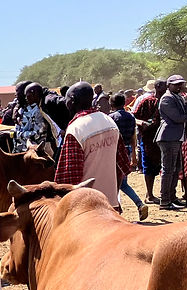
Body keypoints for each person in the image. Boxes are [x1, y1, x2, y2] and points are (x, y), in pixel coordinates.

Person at [55, 82, 131, 211]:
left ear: (72, 101)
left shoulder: (76, 129)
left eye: (66, 100)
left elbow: (69, 177)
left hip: (87, 206)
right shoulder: (109, 122)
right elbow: (123, 166)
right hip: (110, 203)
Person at [155, 75, 187, 210]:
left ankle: (172, 197)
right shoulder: (167, 98)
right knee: (168, 169)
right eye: (176, 84)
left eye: (181, 84)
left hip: (176, 137)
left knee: (176, 169)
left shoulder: (178, 97)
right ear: (169, 85)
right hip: (168, 137)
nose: (179, 86)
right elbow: (178, 117)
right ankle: (165, 200)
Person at [109, 94, 148, 221]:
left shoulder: (110, 118)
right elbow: (133, 137)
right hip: (127, 150)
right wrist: (134, 156)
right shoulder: (131, 117)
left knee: (116, 182)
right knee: (122, 182)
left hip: (114, 151)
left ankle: (117, 209)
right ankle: (138, 204)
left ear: (111, 105)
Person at [133, 79, 165, 203]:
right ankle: (149, 195)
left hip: (164, 138)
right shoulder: (147, 101)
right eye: (163, 86)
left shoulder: (168, 100)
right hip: (148, 139)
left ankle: (160, 194)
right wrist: (143, 123)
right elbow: (134, 116)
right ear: (157, 87)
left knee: (161, 167)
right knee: (149, 165)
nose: (165, 88)